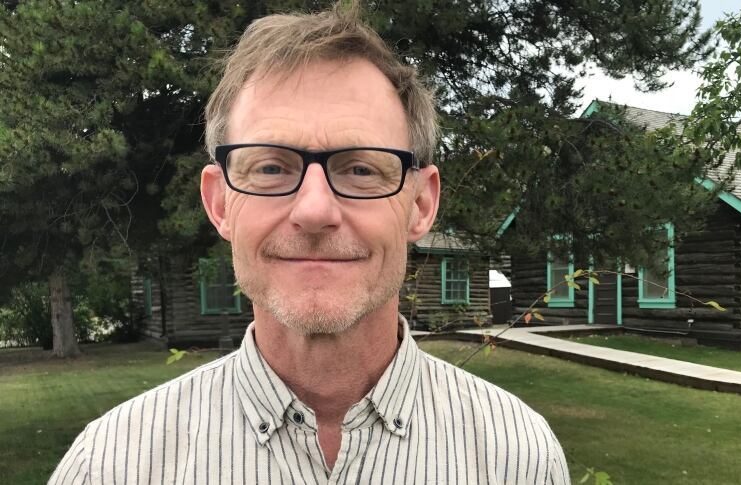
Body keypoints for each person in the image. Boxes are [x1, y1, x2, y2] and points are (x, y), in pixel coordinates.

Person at [50, 3, 569, 484]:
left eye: (361, 167)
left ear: (420, 204)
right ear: (220, 203)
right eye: (271, 167)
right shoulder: (112, 463)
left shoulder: (518, 457)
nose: (315, 210)